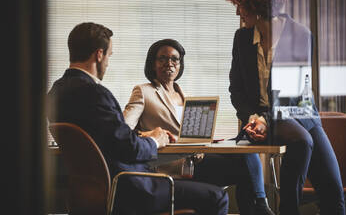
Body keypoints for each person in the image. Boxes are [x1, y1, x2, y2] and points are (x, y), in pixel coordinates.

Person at [46, 22, 229, 215]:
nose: (107, 62)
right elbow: (128, 148)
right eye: (109, 56)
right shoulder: (96, 94)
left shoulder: (56, 92)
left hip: (91, 191)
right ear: (99, 55)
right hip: (131, 187)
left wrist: (142, 137)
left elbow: (109, 139)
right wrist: (154, 140)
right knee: (217, 197)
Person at [226, 0, 346, 214]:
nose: (237, 12)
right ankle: (287, 208)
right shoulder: (242, 38)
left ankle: (287, 207)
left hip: (298, 114)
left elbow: (292, 93)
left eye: (241, 5)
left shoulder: (299, 35)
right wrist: (252, 117)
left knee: (334, 194)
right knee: (252, 192)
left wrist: (265, 119)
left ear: (256, 4)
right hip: (257, 119)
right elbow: (236, 90)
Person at [124, 38, 275, 215]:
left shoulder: (186, 95)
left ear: (180, 65)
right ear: (152, 63)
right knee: (244, 169)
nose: (169, 63)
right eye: (163, 58)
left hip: (197, 159)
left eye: (175, 59)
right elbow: (124, 129)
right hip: (171, 165)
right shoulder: (143, 91)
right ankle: (260, 207)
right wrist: (149, 134)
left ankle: (258, 206)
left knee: (245, 154)